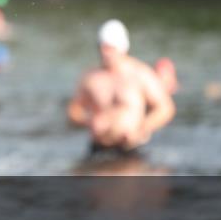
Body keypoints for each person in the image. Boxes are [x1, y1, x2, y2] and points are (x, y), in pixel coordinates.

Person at [67, 19, 175, 157]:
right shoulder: (90, 77)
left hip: (130, 147)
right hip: (99, 147)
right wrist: (87, 121)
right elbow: (73, 110)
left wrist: (143, 128)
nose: (105, 53)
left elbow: (165, 108)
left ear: (122, 48)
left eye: (110, 48)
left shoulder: (141, 74)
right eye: (102, 47)